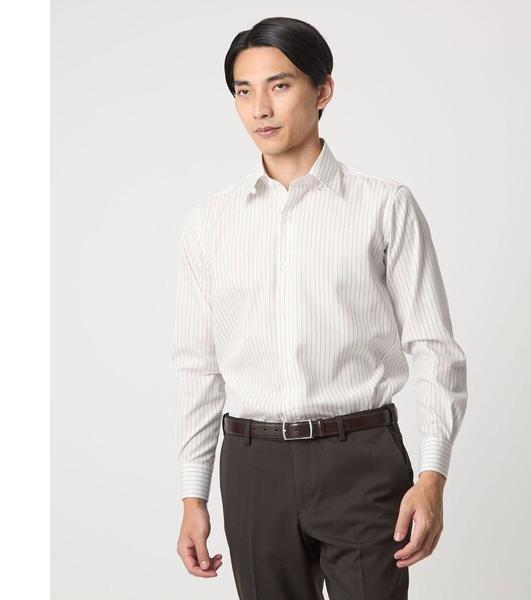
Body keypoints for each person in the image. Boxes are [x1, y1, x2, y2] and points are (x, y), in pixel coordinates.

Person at [170, 16, 467, 600]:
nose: (260, 108)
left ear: (323, 90)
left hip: (361, 460)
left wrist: (433, 475)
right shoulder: (209, 225)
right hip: (252, 467)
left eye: (279, 86)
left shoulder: (384, 206)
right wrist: (192, 494)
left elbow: (435, 348)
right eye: (243, 91)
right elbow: (197, 368)